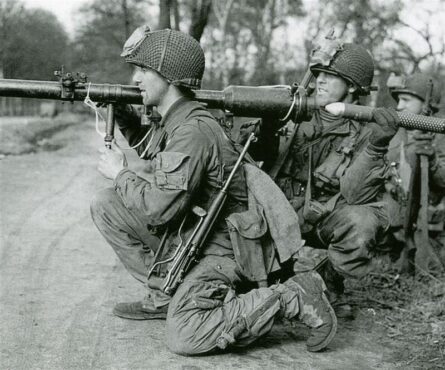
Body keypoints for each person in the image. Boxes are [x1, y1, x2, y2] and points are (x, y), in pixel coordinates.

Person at [90, 25, 336, 355]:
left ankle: (293, 295)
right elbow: (154, 152)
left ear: (169, 76)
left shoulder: (192, 131)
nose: (135, 79)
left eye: (143, 70)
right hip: (196, 234)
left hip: (223, 251)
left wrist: (120, 172)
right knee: (107, 204)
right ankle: (167, 295)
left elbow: (159, 210)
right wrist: (119, 110)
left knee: (186, 336)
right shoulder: (179, 119)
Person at [245, 41, 401, 309]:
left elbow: (355, 193)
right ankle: (275, 274)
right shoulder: (294, 110)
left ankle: (327, 282)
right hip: (276, 209)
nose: (321, 81)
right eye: (319, 74)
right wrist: (268, 124)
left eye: (331, 76)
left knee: (362, 222)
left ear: (352, 86)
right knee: (250, 284)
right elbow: (256, 154)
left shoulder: (366, 132)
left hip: (324, 217)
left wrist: (376, 146)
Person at [385, 72, 445, 267]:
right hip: (396, 219)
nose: (399, 106)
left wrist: (433, 160)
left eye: (406, 100)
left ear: (426, 106)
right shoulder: (394, 134)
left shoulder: (441, 133)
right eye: (398, 100)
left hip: (432, 222)